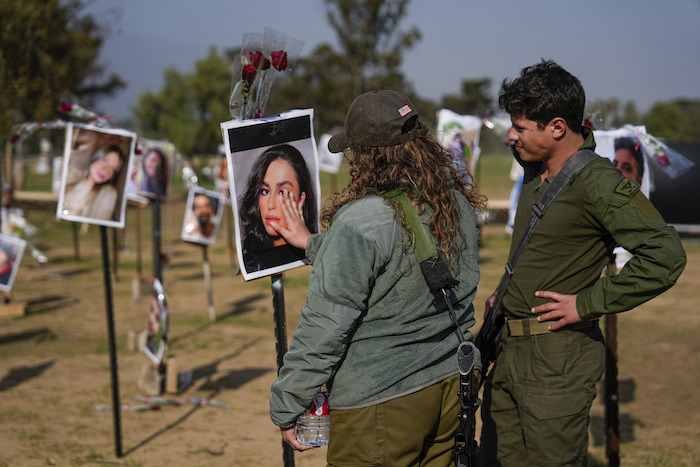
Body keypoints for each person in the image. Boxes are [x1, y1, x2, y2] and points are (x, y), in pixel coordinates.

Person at [479, 60, 687, 466]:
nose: (511, 136)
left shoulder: (598, 182)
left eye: (520, 127)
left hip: (555, 361)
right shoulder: (535, 168)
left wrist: (586, 303)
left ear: (557, 127)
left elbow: (665, 255)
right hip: (508, 351)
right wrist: (508, 291)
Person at [268, 90, 485, 466]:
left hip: (380, 404)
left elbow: (325, 327)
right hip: (451, 387)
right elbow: (405, 263)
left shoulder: (361, 220)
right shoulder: (455, 204)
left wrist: (288, 403)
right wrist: (314, 244)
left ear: (367, 155)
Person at [238, 144, 318, 272]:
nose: (270, 205)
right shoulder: (250, 256)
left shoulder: (318, 257)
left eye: (282, 192)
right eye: (264, 191)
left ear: (301, 199)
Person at [62, 144, 126, 221]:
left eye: (112, 168)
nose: (105, 169)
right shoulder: (72, 176)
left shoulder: (108, 193)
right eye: (105, 160)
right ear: (96, 156)